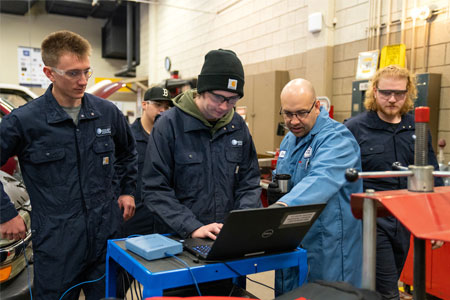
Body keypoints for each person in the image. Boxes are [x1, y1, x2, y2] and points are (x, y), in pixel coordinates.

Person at [0, 30, 137, 300]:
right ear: (49, 73)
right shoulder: (25, 122)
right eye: (73, 73)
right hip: (56, 245)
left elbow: (128, 153)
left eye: (87, 71)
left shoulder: (107, 113)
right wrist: (5, 213)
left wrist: (127, 190)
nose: (83, 80)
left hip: (105, 238)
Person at [344, 65, 443, 300]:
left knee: (387, 284)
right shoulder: (355, 128)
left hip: (406, 221)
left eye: (399, 93)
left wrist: (436, 223)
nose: (391, 99)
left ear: (408, 93)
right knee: (389, 292)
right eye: (385, 92)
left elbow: (432, 177)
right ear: (374, 92)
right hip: (372, 222)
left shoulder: (416, 128)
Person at [142, 49, 262, 240]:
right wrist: (191, 227)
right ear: (202, 90)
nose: (223, 106)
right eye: (218, 97)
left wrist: (240, 222)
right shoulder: (169, 125)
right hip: (179, 238)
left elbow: (249, 183)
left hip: (226, 237)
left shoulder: (237, 125)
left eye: (232, 100)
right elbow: (155, 189)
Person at [271, 78, 363, 295]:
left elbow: (321, 179)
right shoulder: (289, 140)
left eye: (301, 113)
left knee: (327, 294)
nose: (294, 121)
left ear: (318, 107)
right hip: (293, 238)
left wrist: (282, 206)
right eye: (287, 114)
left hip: (328, 242)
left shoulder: (337, 138)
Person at [122, 86, 173, 237]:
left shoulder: (170, 140)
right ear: (144, 105)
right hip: (134, 217)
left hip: (164, 217)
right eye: (158, 105)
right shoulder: (127, 138)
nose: (162, 110)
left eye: (166, 107)